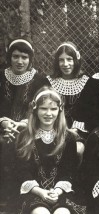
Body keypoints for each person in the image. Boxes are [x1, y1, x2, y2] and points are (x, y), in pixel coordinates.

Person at [0, 39, 49, 210]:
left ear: (30, 59)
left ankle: (18, 199)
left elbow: (46, 110)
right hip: (2, 128)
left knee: (21, 143)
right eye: (15, 57)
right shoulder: (1, 77)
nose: (20, 61)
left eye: (24, 57)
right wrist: (4, 122)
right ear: (9, 57)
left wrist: (24, 123)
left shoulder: (40, 81)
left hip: (31, 128)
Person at [15, 86, 80, 214]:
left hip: (60, 192)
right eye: (43, 109)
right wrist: (40, 192)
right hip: (33, 192)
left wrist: (56, 191)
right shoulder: (25, 136)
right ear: (35, 109)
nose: (48, 114)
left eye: (53, 109)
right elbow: (22, 171)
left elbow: (68, 171)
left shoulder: (68, 138)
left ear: (60, 110)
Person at [48, 42, 99, 136]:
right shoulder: (48, 83)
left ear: (76, 60)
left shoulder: (91, 84)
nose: (65, 64)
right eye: (61, 60)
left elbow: (96, 115)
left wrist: (78, 129)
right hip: (53, 131)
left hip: (82, 133)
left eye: (69, 59)